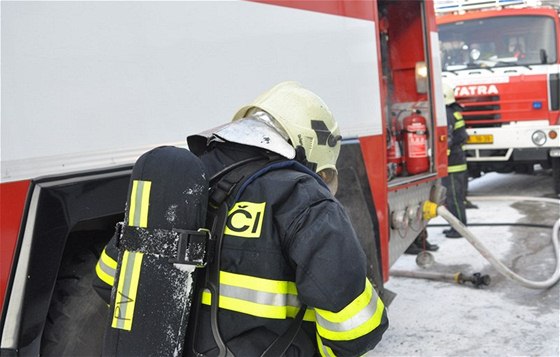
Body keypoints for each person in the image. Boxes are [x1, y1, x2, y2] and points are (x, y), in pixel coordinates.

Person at [94, 81, 388, 356]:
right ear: (311, 148)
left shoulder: (182, 182)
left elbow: (108, 279)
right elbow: (356, 329)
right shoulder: (303, 199)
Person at [442, 83, 469, 238]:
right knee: (455, 197)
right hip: (457, 159)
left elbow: (448, 138)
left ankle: (459, 229)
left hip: (452, 163)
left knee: (453, 198)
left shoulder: (446, 113)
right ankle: (457, 226)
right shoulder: (454, 111)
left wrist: (441, 157)